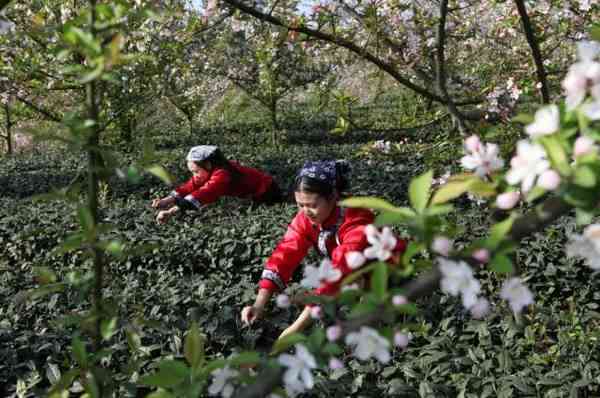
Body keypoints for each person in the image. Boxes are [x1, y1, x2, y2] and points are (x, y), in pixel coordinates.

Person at [240, 160, 406, 339]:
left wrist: (293, 330)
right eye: (300, 205)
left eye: (312, 205)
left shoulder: (356, 221)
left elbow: (340, 269)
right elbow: (285, 252)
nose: (305, 211)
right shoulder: (306, 218)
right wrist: (259, 304)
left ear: (333, 196)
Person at [151, 145, 283, 223]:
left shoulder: (222, 174)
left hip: (267, 190)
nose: (194, 176)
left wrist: (170, 212)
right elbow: (190, 186)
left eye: (196, 171)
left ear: (208, 164)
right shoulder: (209, 170)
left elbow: (203, 193)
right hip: (253, 193)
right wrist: (166, 200)